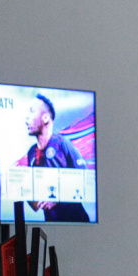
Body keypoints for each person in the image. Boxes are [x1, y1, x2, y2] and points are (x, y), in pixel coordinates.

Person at [24, 93, 89, 222]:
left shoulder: (61, 144)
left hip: (77, 223)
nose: (26, 119)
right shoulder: (31, 153)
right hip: (51, 226)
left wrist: (58, 198)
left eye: (32, 111)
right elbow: (34, 205)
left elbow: (85, 179)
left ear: (46, 118)